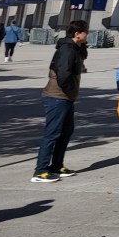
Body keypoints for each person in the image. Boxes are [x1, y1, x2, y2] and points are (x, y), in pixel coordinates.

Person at [31, 19, 89, 183]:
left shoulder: (74, 48)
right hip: (57, 97)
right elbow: (63, 75)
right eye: (86, 32)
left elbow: (82, 57)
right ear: (77, 34)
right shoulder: (67, 50)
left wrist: (82, 45)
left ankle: (56, 165)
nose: (88, 35)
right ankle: (40, 171)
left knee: (65, 132)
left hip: (65, 97)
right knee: (52, 133)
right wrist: (71, 91)